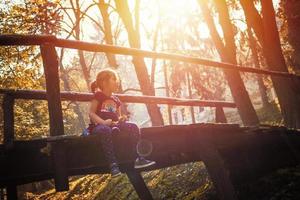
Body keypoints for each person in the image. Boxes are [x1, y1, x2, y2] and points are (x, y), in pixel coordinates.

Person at [87, 68, 155, 177]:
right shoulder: (98, 96)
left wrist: (121, 119)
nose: (117, 81)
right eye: (114, 79)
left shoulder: (116, 100)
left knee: (133, 126)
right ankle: (113, 165)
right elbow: (91, 113)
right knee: (105, 130)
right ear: (104, 82)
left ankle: (138, 158)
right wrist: (103, 123)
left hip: (114, 126)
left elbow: (116, 117)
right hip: (99, 127)